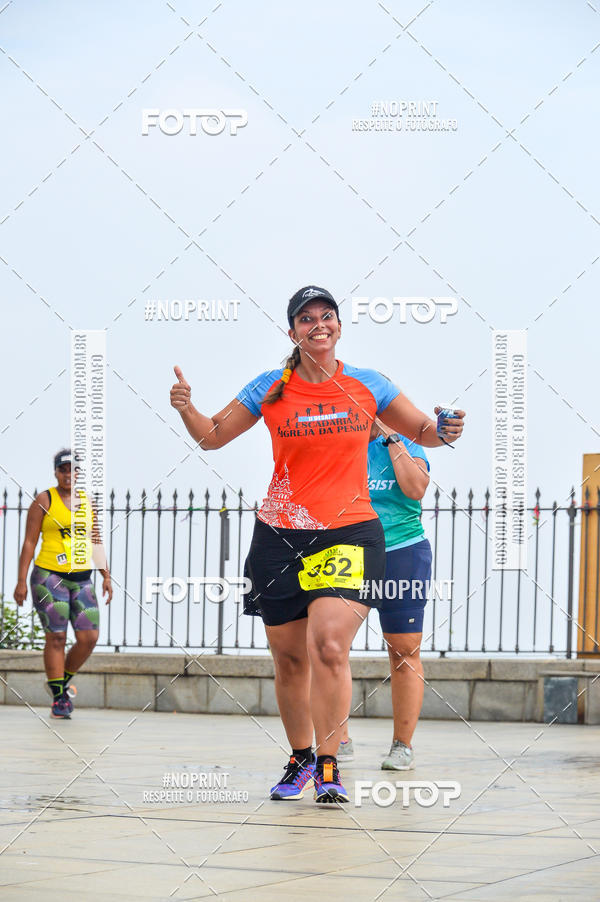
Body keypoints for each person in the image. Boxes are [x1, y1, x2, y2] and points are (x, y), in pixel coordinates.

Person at [170, 285, 464, 803]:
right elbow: (212, 436)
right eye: (307, 319)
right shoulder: (271, 387)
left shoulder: (367, 384)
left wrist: (447, 428)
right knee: (289, 659)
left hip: (349, 530)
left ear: (339, 327)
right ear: (293, 332)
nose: (318, 325)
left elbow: (424, 430)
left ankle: (330, 765)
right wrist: (186, 408)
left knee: (328, 643)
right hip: (280, 535)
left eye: (327, 316)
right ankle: (300, 758)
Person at [337, 417, 432, 770]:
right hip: (351, 554)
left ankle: (402, 746)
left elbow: (415, 489)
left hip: (403, 552)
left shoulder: (407, 441)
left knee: (404, 650)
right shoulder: (343, 442)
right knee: (331, 646)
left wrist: (393, 440)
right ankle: (338, 738)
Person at [13, 449, 112, 718]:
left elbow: (95, 540)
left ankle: (61, 681)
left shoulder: (86, 501)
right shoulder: (44, 500)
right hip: (49, 577)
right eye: (63, 470)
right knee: (56, 637)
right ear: (55, 472)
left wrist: (106, 576)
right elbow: (29, 542)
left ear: (80, 473)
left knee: (88, 637)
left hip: (82, 578)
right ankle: (59, 699)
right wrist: (21, 581)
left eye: (73, 470)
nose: (69, 475)